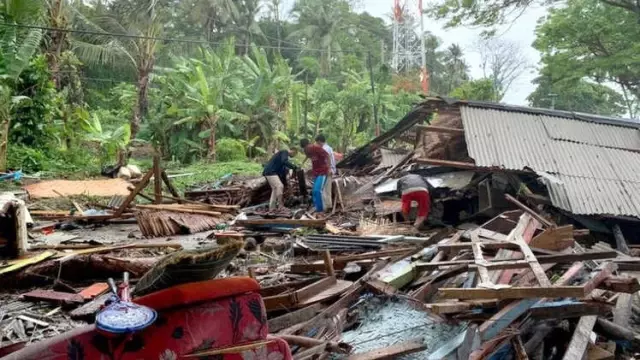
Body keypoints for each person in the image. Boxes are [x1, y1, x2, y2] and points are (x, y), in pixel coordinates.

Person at [300, 138, 330, 212]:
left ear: (309, 144)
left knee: (317, 190)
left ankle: (320, 210)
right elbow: (308, 156)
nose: (306, 150)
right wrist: (301, 164)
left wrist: (329, 168)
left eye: (307, 147)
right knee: (313, 191)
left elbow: (327, 155)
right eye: (305, 149)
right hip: (315, 172)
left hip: (322, 171)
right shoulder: (306, 150)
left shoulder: (316, 148)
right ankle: (316, 207)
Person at [315, 134, 336, 212]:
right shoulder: (329, 148)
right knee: (327, 188)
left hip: (327, 170)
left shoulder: (324, 149)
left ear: (320, 141)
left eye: (317, 143)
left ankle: (325, 207)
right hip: (330, 170)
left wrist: (328, 169)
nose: (317, 145)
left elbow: (326, 160)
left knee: (323, 189)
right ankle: (328, 205)